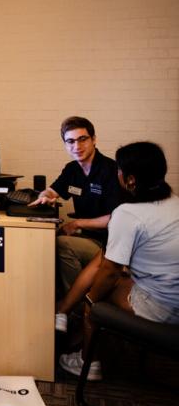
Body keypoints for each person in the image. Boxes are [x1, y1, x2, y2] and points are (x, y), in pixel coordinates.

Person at [59, 141, 179, 381]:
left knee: (97, 294)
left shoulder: (128, 213)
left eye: (120, 170)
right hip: (174, 297)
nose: (117, 174)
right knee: (102, 257)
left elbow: (111, 272)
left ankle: (87, 361)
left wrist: (90, 300)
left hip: (163, 309)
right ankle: (61, 313)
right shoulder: (174, 201)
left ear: (131, 180)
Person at [29, 116, 122, 332]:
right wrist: (45, 195)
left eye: (83, 139)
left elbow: (116, 218)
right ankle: (66, 308)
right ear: (65, 144)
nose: (77, 146)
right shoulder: (72, 169)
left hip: (108, 245)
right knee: (50, 240)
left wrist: (77, 223)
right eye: (70, 141)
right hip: (87, 237)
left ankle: (74, 311)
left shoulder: (110, 170)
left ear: (94, 140)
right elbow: (54, 190)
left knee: (62, 244)